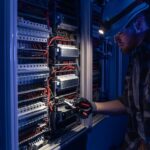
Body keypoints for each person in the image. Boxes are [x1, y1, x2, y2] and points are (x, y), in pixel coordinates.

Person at [76, 0, 150, 149]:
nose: (116, 40)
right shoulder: (136, 56)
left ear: (139, 24)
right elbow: (128, 103)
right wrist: (94, 106)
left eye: (119, 32)